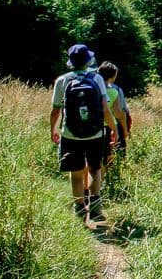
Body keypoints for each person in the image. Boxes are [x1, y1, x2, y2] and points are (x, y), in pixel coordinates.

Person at [50, 44, 117, 223]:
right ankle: (95, 208)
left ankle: (79, 209)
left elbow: (55, 111)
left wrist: (53, 130)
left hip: (70, 134)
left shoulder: (62, 81)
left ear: (71, 62)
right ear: (89, 60)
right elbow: (105, 109)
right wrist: (114, 130)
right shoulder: (97, 79)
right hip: (95, 134)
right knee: (95, 169)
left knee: (76, 172)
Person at [97, 62, 129, 164]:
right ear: (113, 76)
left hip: (90, 125)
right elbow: (119, 113)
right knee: (106, 157)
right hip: (108, 127)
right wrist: (124, 129)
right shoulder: (114, 91)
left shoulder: (93, 88)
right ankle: (104, 177)